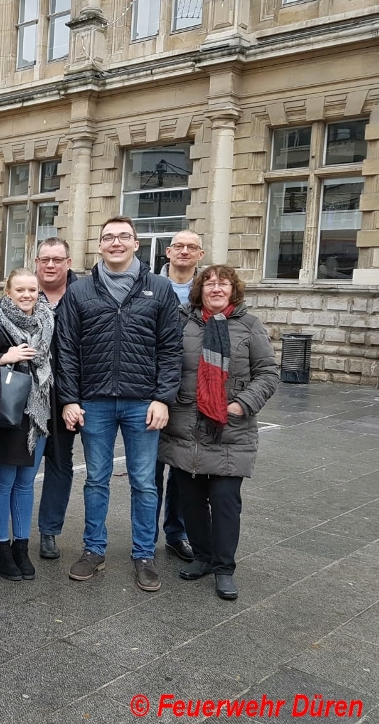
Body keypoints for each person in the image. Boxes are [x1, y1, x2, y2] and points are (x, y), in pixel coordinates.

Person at [57, 216, 182, 592]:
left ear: (136, 244)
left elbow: (171, 349)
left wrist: (163, 398)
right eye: (108, 237)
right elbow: (66, 349)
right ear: (99, 245)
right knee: (96, 480)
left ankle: (144, 554)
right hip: (94, 401)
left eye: (123, 237)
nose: (116, 243)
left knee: (144, 483)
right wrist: (69, 399)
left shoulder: (159, 289)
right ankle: (93, 550)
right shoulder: (78, 292)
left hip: (142, 402)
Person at [158, 265, 278, 601]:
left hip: (230, 429)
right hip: (185, 428)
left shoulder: (249, 325)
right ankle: (203, 557)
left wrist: (242, 404)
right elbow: (165, 362)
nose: (215, 288)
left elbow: (268, 373)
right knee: (191, 502)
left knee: (225, 502)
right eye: (209, 283)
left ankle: (224, 567)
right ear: (199, 290)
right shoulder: (182, 321)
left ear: (233, 289)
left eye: (222, 283)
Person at [0, 268, 55, 582]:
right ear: (8, 292)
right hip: (8, 415)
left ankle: (21, 546)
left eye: (32, 290)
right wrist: (3, 357)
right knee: (3, 483)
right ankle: (1, 546)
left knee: (26, 483)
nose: (27, 296)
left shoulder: (48, 321)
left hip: (38, 416)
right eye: (20, 290)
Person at [154, 229, 206, 563]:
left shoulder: (209, 291)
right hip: (153, 390)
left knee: (184, 468)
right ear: (168, 253)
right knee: (150, 469)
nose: (184, 252)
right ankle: (145, 534)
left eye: (192, 247)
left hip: (191, 393)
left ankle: (177, 532)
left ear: (200, 255)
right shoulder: (149, 286)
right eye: (179, 246)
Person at [32, 237, 79, 561]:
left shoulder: (83, 296)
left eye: (57, 259)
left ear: (68, 262)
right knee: (20, 464)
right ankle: (10, 532)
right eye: (45, 259)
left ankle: (49, 530)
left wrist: (75, 399)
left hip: (67, 397)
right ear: (37, 263)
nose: (50, 265)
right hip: (28, 397)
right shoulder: (23, 292)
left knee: (60, 465)